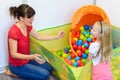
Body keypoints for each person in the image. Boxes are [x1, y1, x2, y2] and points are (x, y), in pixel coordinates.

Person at [7, 4, 64, 80]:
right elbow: (13, 54)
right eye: (30, 18)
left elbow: (38, 36)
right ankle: (13, 72)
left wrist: (56, 36)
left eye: (33, 17)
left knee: (49, 68)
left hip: (27, 58)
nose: (33, 19)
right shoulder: (14, 32)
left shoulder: (27, 26)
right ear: (21, 18)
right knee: (45, 75)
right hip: (17, 65)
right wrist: (32, 57)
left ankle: (28, 69)